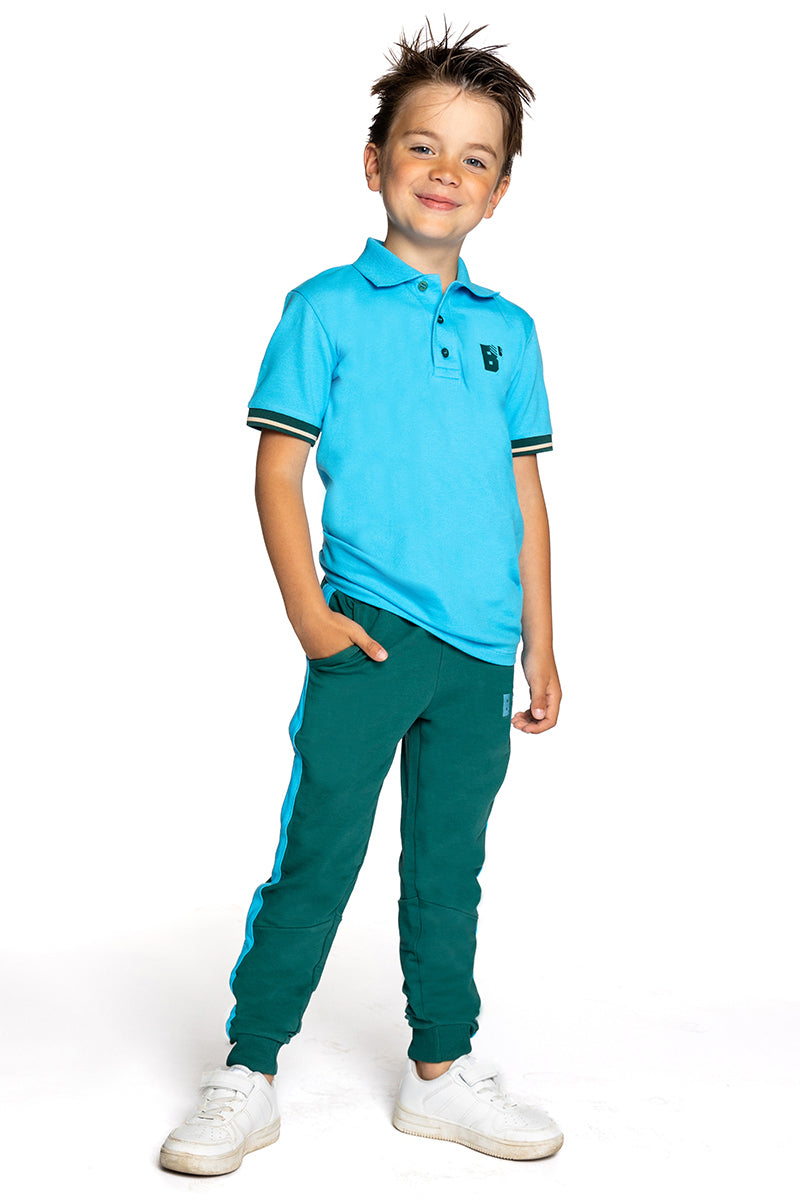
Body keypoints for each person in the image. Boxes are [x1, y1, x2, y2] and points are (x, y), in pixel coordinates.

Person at [160, 20, 563, 1175]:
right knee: (319, 852)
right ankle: (248, 1068)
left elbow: (524, 497)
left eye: (475, 158)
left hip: (479, 651)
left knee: (448, 867)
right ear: (375, 160)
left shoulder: (507, 331)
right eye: (421, 145)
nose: (445, 171)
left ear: (498, 191)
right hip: (369, 635)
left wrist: (540, 642)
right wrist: (310, 615)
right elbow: (277, 468)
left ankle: (441, 1069)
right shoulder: (324, 308)